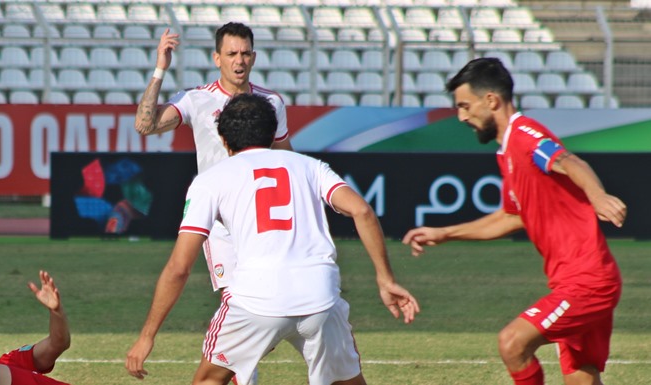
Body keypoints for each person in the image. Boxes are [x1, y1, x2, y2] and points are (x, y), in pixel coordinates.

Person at [126, 94, 419, 385]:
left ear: (224, 141)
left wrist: (146, 336)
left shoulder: (210, 180)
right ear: (271, 134)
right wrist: (385, 279)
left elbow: (179, 267)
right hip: (320, 297)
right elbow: (362, 211)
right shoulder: (310, 166)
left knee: (210, 380)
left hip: (255, 301)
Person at [402, 58, 625, 385]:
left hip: (587, 281)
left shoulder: (524, 134)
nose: (462, 116)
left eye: (465, 106)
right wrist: (444, 233)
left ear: (491, 100)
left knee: (512, 343)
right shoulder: (507, 152)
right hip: (572, 279)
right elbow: (510, 217)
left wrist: (597, 195)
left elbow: (567, 160)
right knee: (580, 377)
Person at [135, 22, 293, 294]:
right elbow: (144, 125)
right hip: (221, 220)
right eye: (231, 54)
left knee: (272, 296)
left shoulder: (272, 103)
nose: (239, 61)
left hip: (261, 218)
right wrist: (161, 68)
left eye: (245, 53)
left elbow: (286, 160)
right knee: (234, 298)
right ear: (217, 59)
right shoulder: (196, 99)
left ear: (253, 58)